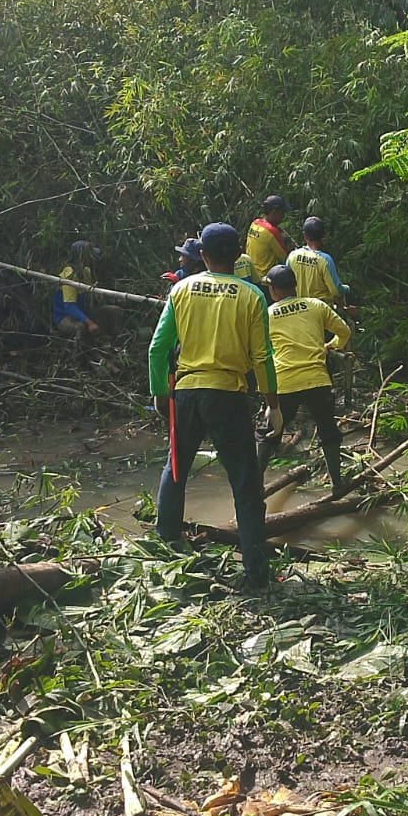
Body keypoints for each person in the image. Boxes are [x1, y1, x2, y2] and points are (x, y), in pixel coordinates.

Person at [148, 222, 280, 588]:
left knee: (176, 467)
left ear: (202, 256)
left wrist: (161, 393)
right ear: (238, 255)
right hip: (229, 394)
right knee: (245, 482)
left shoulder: (182, 290)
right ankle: (255, 570)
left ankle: (166, 545)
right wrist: (274, 404)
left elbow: (158, 349)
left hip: (187, 392)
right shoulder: (252, 295)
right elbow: (262, 358)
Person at [257, 264, 352, 497]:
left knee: (269, 434)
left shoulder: (267, 315)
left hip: (284, 382)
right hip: (316, 381)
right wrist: (330, 346)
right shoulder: (316, 305)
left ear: (274, 290)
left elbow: (259, 352)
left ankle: (253, 487)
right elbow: (345, 331)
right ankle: (337, 484)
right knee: (328, 432)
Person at [286, 216, 350, 309]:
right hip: (321, 309)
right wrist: (347, 288)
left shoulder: (293, 256)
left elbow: (286, 283)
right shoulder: (325, 260)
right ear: (323, 235)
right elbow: (336, 291)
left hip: (299, 308)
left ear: (305, 235)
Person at [244, 195, 293, 281]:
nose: (283, 216)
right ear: (274, 212)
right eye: (282, 213)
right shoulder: (271, 231)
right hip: (264, 278)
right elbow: (286, 258)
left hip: (250, 274)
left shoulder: (255, 223)